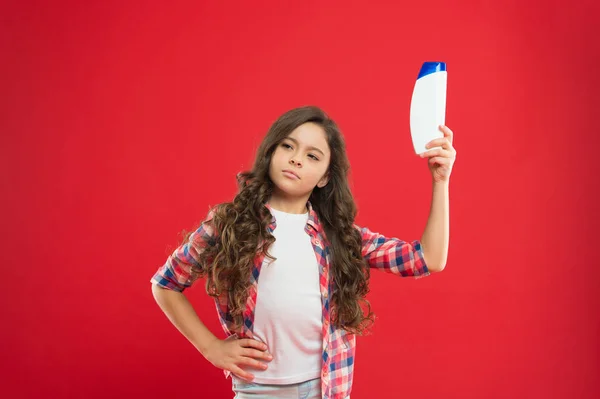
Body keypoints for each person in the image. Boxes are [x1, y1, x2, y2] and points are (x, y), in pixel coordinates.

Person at [150, 105, 457, 399]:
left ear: (325, 176)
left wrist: (440, 180)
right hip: (258, 390)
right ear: (271, 152)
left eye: (312, 156)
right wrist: (210, 347)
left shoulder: (340, 236)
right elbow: (165, 284)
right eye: (288, 146)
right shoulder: (228, 223)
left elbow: (427, 259)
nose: (296, 159)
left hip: (325, 389)